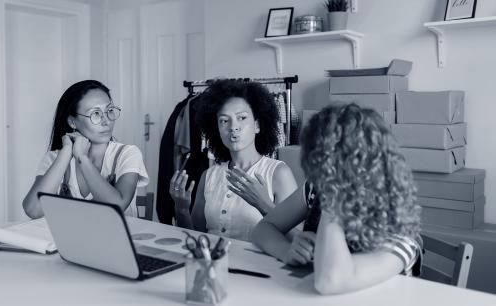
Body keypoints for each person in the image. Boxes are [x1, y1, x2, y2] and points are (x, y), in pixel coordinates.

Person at [251, 104, 422, 294]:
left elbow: (330, 281)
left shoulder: (400, 233)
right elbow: (263, 229)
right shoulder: (315, 190)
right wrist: (286, 250)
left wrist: (332, 200)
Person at [170, 79, 298, 241]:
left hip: (256, 266)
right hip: (213, 264)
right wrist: (181, 209)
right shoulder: (208, 176)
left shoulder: (278, 173)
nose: (233, 127)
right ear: (216, 129)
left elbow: (297, 240)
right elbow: (196, 238)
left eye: (242, 118)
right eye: (224, 120)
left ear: (257, 125)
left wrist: (263, 205)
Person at [22, 80, 149, 219]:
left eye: (109, 111)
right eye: (95, 113)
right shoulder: (54, 158)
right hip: (70, 240)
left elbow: (118, 206)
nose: (106, 121)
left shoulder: (128, 154)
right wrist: (66, 153)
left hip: (118, 240)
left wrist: (82, 157)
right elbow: (33, 210)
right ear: (72, 122)